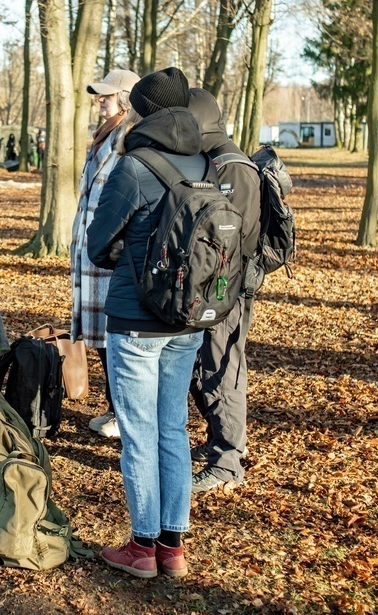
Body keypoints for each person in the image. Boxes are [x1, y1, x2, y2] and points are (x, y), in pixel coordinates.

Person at [87, 67, 209, 579]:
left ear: (143, 110)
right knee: (173, 431)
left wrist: (128, 252)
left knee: (139, 434)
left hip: (136, 320)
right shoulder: (206, 162)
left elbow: (99, 244)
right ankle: (173, 549)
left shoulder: (134, 165)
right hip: (189, 318)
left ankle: (142, 548)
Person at [186, 88, 262, 494]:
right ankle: (220, 442)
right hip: (209, 286)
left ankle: (228, 460)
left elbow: (238, 235)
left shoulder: (233, 167)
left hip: (226, 289)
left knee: (223, 370)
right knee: (205, 368)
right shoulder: (212, 160)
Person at [70, 68, 140, 439]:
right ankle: (116, 409)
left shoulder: (128, 136)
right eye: (100, 95)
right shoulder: (104, 134)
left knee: (115, 338)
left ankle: (122, 414)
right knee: (101, 339)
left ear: (125, 99)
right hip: (91, 251)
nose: (101, 100)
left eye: (107, 95)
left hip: (109, 254)